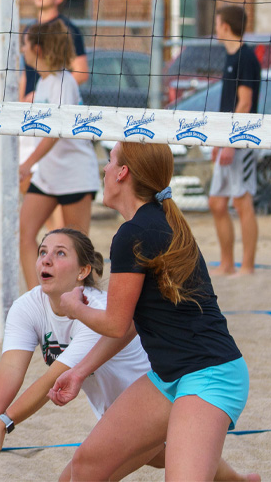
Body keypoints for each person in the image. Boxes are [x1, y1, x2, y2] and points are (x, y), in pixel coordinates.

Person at [0, 228, 253, 481]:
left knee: (80, 474)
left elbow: (52, 380)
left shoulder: (96, 310)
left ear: (83, 270)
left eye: (60, 253)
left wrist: (5, 423)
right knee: (166, 457)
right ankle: (237, 481)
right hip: (121, 412)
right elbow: (10, 367)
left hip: (161, 401)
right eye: (43, 252)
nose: (46, 260)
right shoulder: (28, 306)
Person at [49, 142, 251, 480]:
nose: (105, 169)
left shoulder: (136, 232)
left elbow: (114, 323)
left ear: (123, 173)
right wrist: (81, 370)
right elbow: (128, 324)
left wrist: (73, 307)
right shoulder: (155, 223)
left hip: (209, 376)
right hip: (168, 376)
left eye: (110, 161)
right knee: (80, 472)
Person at [18, 20, 100, 290]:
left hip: (75, 174)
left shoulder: (63, 82)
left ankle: (84, 300)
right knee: (27, 234)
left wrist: (28, 163)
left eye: (24, 43)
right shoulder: (43, 83)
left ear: (37, 48)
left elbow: (55, 132)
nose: (22, 49)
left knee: (79, 247)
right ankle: (37, 297)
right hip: (49, 175)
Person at [208, 5, 261, 277]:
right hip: (226, 137)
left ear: (225, 26)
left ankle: (248, 267)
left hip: (241, 139)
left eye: (217, 23)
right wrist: (218, 140)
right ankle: (227, 264)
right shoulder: (230, 57)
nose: (215, 28)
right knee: (217, 203)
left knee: (242, 202)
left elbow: (245, 104)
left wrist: (229, 143)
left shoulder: (245, 57)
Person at [21, 0, 89, 103]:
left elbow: (81, 73)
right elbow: (26, 73)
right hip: (33, 105)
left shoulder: (67, 30)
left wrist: (49, 92)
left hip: (51, 101)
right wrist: (22, 102)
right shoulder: (29, 29)